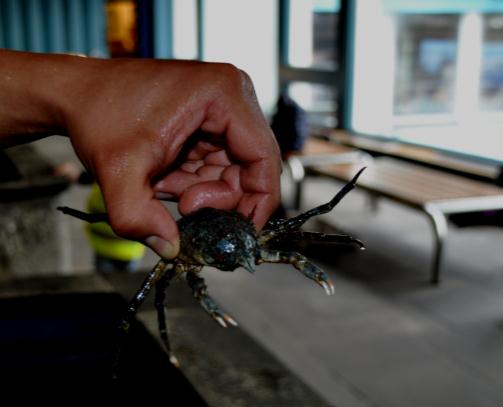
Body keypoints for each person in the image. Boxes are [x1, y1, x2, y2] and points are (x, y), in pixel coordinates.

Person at [0, 49, 281, 260]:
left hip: (125, 249)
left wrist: (78, 88)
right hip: (115, 247)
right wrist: (80, 89)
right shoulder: (112, 170)